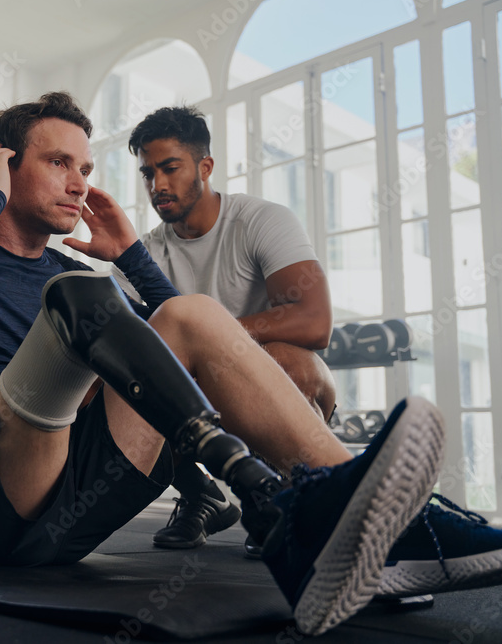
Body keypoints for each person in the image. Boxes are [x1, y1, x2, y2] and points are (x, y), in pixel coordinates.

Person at [0, 92, 502, 636]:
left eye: (87, 168)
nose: (79, 183)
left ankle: (347, 515)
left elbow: (187, 334)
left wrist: (130, 252)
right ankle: (275, 499)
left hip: (66, 509)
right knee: (77, 302)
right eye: (59, 162)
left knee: (177, 313)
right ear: (4, 164)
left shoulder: (77, 269)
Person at [114, 105, 336, 553]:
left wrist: (209, 336)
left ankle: (295, 499)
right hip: (195, 403)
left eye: (170, 168)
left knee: (288, 359)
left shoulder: (260, 221)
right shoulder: (145, 254)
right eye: (148, 173)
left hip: (281, 384)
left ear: (205, 166)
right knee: (131, 384)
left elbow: (315, 321)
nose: (158, 185)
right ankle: (203, 495)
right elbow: (124, 353)